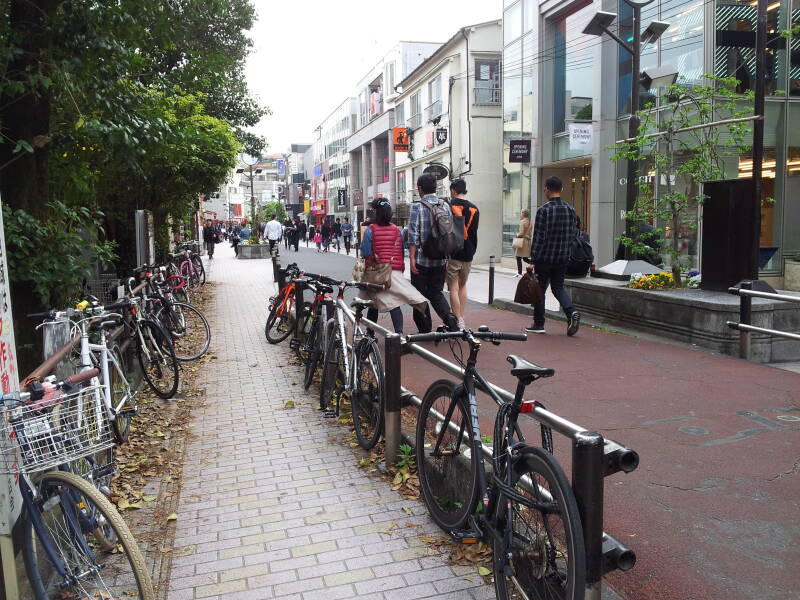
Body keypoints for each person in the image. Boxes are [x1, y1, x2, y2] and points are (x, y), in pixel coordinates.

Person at [359, 199, 428, 334]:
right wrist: (399, 268)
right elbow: (401, 253)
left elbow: (365, 252)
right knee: (394, 304)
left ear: (376, 213)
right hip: (394, 272)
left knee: (373, 304)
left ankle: (370, 334)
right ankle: (399, 334)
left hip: (376, 272)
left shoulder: (370, 230)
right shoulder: (397, 230)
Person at [526, 176, 581, 336]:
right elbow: (573, 234)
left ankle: (539, 324)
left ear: (546, 189)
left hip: (545, 259)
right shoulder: (570, 209)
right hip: (563, 258)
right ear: (562, 190)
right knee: (558, 287)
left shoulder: (544, 210)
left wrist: (533, 261)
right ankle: (571, 312)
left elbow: (539, 238)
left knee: (539, 290)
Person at [408, 173, 458, 333]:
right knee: (436, 291)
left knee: (418, 295)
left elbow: (412, 235)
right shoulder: (445, 205)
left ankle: (425, 328)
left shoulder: (417, 206)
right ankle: (449, 317)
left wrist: (411, 258)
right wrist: (448, 257)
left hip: (422, 260)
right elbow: (449, 233)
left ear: (420, 189)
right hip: (440, 260)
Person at [446, 178, 479, 330]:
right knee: (463, 285)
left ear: (453, 189)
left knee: (452, 287)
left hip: (454, 252)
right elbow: (473, 232)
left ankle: (458, 319)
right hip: (469, 251)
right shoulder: (474, 209)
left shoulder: (449, 206)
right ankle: (462, 316)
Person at [515, 209, 533, 276]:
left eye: (521, 213)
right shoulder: (530, 222)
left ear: (523, 214)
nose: (520, 214)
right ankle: (533, 264)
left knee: (518, 257)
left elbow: (521, 233)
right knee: (525, 258)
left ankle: (519, 272)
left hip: (522, 242)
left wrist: (517, 235)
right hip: (527, 242)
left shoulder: (522, 222)